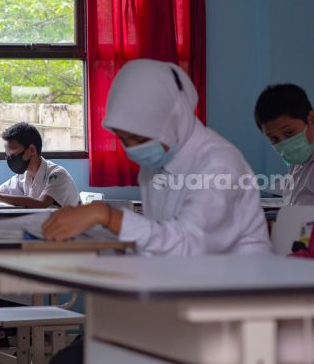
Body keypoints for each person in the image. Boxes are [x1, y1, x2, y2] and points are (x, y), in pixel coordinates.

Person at [43, 59, 271, 363]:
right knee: (76, 354)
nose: (132, 148)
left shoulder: (219, 163)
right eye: (124, 139)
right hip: (174, 301)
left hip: (229, 309)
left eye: (139, 139)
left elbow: (188, 247)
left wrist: (109, 217)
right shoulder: (156, 167)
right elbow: (156, 244)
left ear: (172, 120)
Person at [0, 122, 80, 207]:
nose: (10, 159)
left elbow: (41, 203)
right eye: (7, 156)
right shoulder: (23, 177)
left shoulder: (57, 175)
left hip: (74, 235)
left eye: (13, 154)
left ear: (31, 150)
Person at [254, 83, 314, 205]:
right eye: (274, 139)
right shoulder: (298, 163)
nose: (284, 143)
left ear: (311, 119)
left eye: (289, 133)